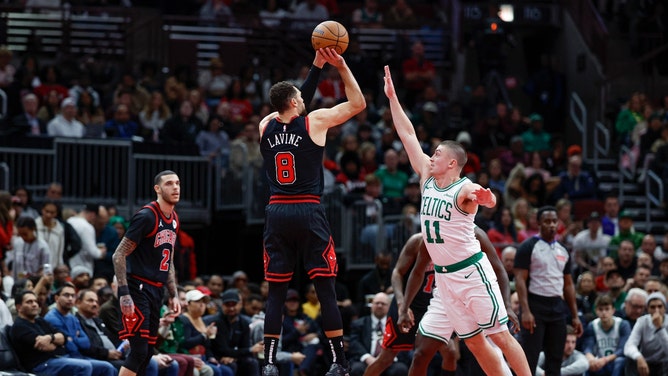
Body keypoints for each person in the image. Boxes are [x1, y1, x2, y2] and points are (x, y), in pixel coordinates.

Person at [383, 65, 531, 376]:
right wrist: (393, 98)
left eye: (436, 153)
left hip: (471, 273)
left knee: (499, 336)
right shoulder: (427, 176)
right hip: (445, 279)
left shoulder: (463, 187)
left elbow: (482, 195)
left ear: (452, 163)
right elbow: (407, 133)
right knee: (476, 344)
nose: (430, 156)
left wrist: (487, 198)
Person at [258, 48, 365, 376]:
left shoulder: (264, 125)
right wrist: (342, 67)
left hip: (277, 212)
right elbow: (358, 104)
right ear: (293, 103)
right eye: (300, 99)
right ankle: (339, 362)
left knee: (276, 291)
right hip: (308, 210)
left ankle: (269, 363)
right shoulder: (315, 122)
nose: (305, 101)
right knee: (325, 289)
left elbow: (290, 104)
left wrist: (317, 66)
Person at [112, 170, 182, 376]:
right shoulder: (146, 216)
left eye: (178, 183)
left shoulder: (175, 219)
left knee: (148, 351)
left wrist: (174, 293)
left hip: (156, 290)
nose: (176, 187)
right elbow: (118, 255)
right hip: (137, 288)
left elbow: (168, 261)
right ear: (158, 189)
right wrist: (124, 293)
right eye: (169, 184)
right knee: (139, 350)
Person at [514, 206, 583, 376]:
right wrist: (526, 311)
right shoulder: (528, 246)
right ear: (538, 223)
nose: (551, 225)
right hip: (535, 305)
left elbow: (568, 284)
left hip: (557, 307)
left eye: (554, 221)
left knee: (555, 359)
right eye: (547, 221)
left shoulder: (563, 250)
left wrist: (574, 315)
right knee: (529, 357)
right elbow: (520, 280)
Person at [10, 289, 94, 375]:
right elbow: (46, 346)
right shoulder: (19, 327)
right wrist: (57, 343)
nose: (35, 304)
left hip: (56, 360)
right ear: (19, 307)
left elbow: (64, 337)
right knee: (84, 366)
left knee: (104, 367)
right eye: (29, 302)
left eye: (35, 301)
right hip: (40, 366)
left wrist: (50, 337)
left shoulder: (40, 321)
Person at [44, 283, 117, 376]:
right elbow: (69, 346)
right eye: (66, 295)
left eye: (72, 296)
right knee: (85, 366)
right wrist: (75, 338)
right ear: (56, 298)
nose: (70, 298)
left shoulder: (72, 318)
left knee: (108, 367)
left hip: (78, 356)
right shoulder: (52, 318)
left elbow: (86, 343)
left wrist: (72, 339)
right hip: (62, 357)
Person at [349, 292, 408, 376]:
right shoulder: (359, 324)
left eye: (383, 304)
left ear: (389, 307)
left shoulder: (397, 325)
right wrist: (367, 358)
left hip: (391, 360)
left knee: (400, 369)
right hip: (366, 359)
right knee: (357, 368)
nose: (379, 306)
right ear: (371, 305)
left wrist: (388, 359)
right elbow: (354, 343)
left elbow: (403, 344)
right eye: (377, 303)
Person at [582, 295, 630, 376]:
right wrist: (590, 358)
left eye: (607, 309)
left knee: (620, 361)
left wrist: (605, 360)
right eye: (600, 309)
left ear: (613, 310)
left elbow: (623, 349)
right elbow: (588, 347)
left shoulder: (623, 324)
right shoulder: (592, 325)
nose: (604, 312)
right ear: (596, 310)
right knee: (586, 363)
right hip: (599, 363)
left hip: (614, 361)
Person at [623, 291, 668, 376]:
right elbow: (629, 346)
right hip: (645, 362)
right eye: (653, 307)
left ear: (664, 308)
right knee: (630, 359)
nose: (656, 310)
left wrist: (660, 328)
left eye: (660, 306)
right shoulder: (642, 321)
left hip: (664, 364)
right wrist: (638, 357)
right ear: (647, 309)